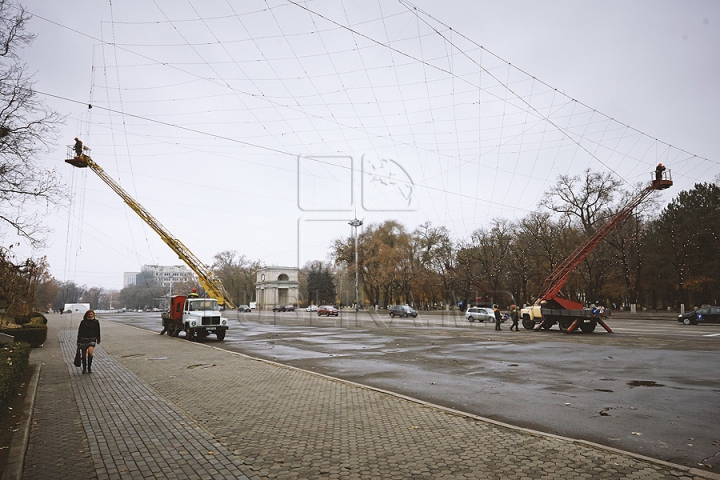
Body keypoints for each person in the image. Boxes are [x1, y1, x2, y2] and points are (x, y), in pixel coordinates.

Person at [77, 309, 101, 374]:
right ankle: (84, 368)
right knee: (84, 354)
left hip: (92, 339)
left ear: (93, 315)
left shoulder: (96, 322)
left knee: (90, 352)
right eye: (89, 314)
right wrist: (78, 341)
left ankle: (89, 367)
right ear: (87, 315)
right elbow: (80, 332)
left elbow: (98, 331)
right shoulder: (83, 322)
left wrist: (98, 339)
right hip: (83, 339)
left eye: (91, 314)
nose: (90, 315)